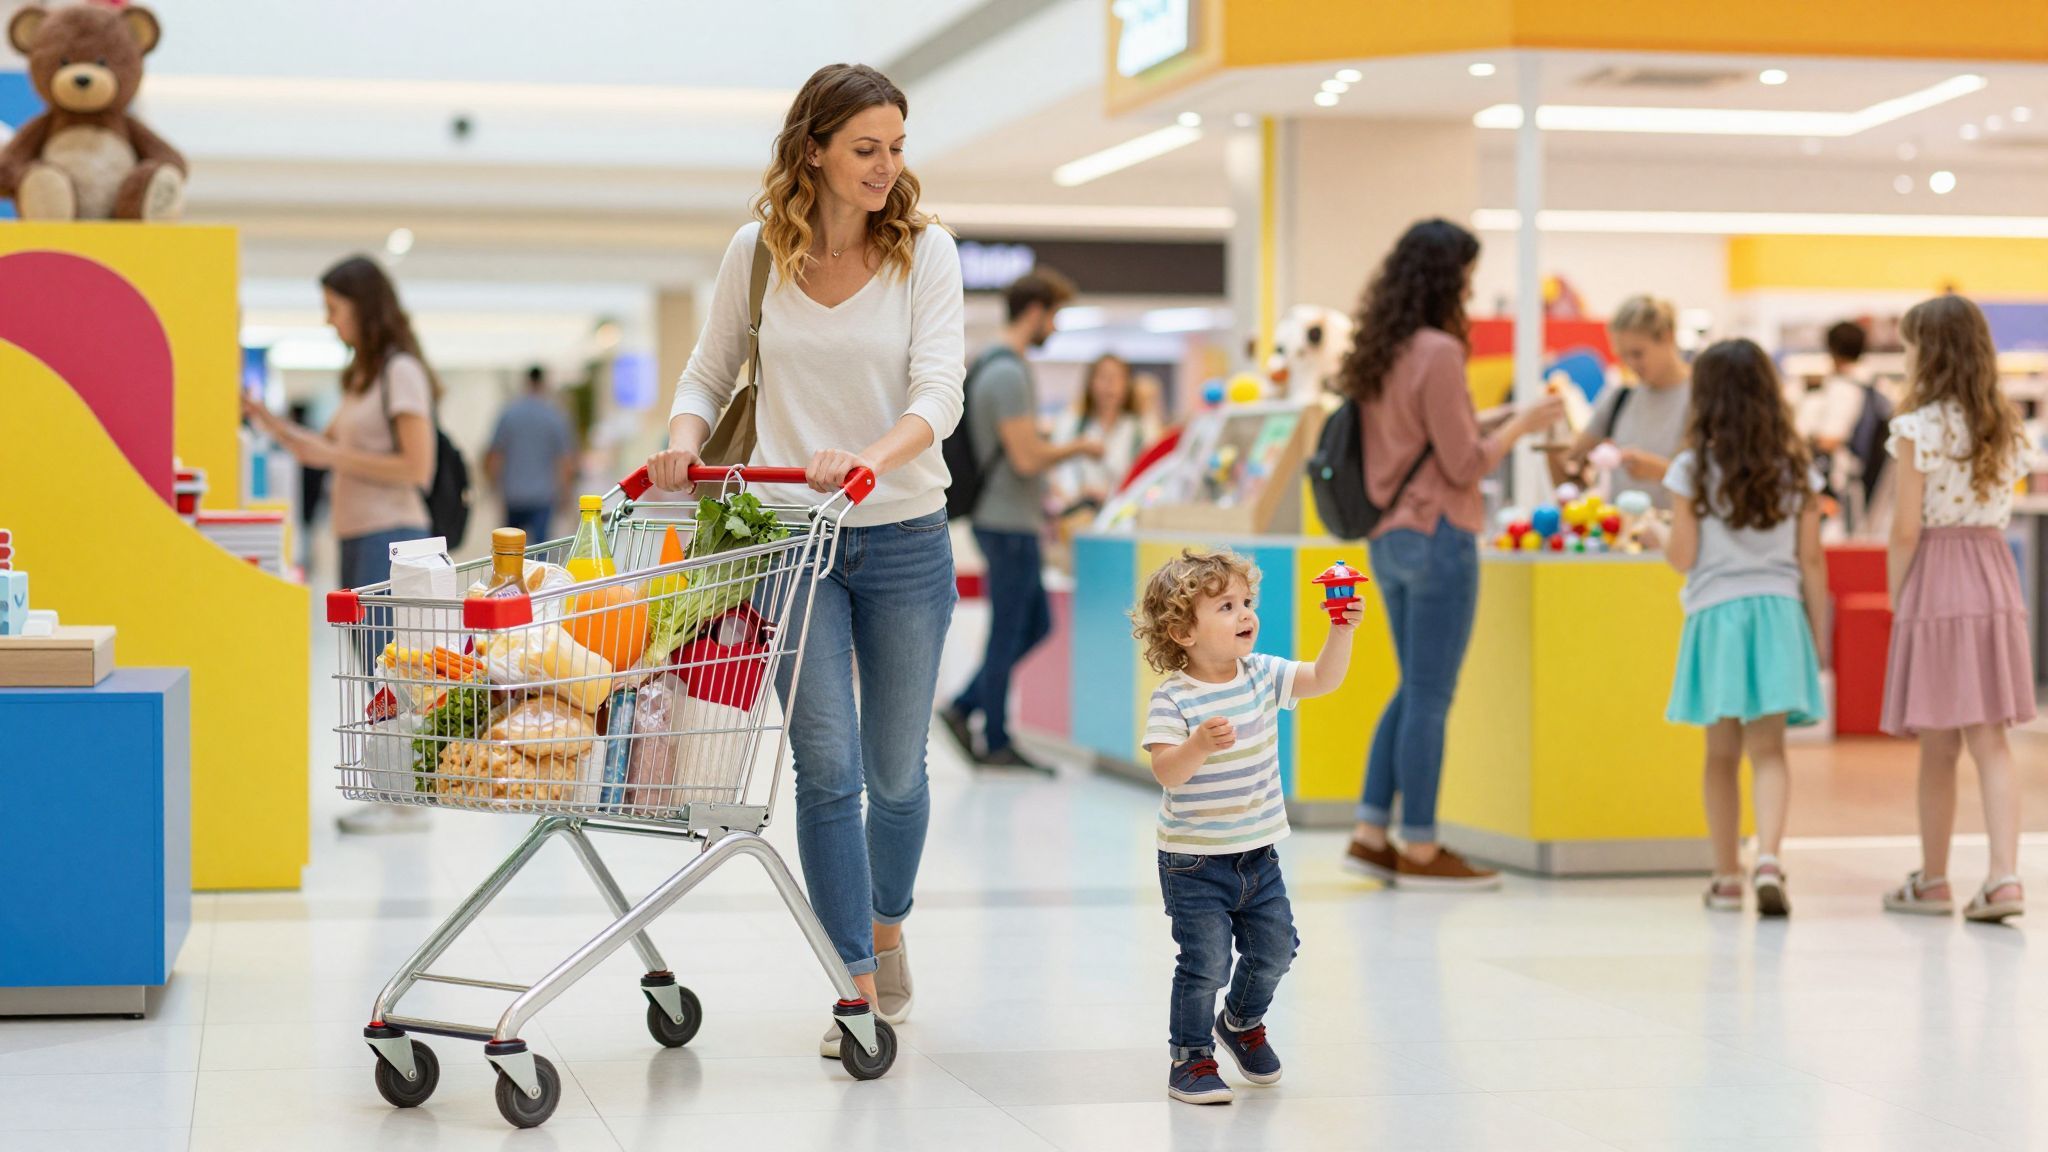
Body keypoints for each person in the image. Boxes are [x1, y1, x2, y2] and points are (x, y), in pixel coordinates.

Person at [644, 63, 963, 1055]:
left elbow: (938, 391)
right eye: (864, 148)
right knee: (826, 770)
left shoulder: (926, 253)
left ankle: (886, 922)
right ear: (814, 149)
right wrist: (681, 436)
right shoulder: (758, 252)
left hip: (903, 534)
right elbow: (707, 372)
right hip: (792, 543)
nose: (885, 167)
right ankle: (851, 985)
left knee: (896, 772)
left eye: (896, 148)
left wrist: (867, 461)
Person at [1337, 219, 1566, 889]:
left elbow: (1425, 441)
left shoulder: (1381, 350)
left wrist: (1501, 417)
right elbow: (1463, 464)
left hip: (1387, 538)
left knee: (1411, 688)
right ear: (1447, 278)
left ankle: (1370, 830)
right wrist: (1521, 425)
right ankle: (1420, 846)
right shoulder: (1438, 351)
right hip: (1440, 536)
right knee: (1431, 696)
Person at [1132, 548, 1360, 1105]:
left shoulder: (1262, 674)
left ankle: (1240, 1022)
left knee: (1277, 949)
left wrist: (1342, 631)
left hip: (1258, 854)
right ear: (1183, 631)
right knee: (1205, 962)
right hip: (1193, 861)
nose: (1246, 615)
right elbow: (1167, 772)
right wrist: (1197, 745)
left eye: (1247, 603)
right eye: (1227, 607)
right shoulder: (1175, 698)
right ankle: (1190, 1059)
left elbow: (1324, 679)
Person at [242, 254, 441, 836]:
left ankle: (405, 798)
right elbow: (314, 449)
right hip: (358, 537)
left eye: (334, 308)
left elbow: (417, 466)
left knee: (395, 670)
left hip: (393, 536)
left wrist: (333, 455)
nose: (329, 321)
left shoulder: (401, 371)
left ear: (363, 305)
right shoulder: (363, 377)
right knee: (376, 667)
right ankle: (395, 791)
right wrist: (266, 420)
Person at [1657, 338, 1828, 918]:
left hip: (1716, 618)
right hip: (1779, 614)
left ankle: (1727, 875)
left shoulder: (1691, 468)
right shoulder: (1796, 466)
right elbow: (1812, 561)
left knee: (1720, 755)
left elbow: (1682, 556)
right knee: (1771, 752)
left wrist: (1657, 533)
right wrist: (1818, 634)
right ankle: (1771, 861)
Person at [1879, 294, 2036, 924]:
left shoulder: (1917, 427)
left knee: (1938, 743)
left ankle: (1934, 877)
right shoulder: (2005, 424)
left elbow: (1905, 530)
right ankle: (2004, 877)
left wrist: (1899, 599)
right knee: (1991, 738)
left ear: (1928, 351)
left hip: (1939, 577)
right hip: (1995, 573)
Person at [936, 270, 1101, 772]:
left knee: (1031, 623)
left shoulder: (993, 363)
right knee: (1012, 628)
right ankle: (996, 736)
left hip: (1011, 518)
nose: (1055, 326)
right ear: (1034, 312)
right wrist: (1079, 445)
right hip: (1007, 521)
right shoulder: (1007, 372)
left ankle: (966, 708)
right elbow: (1026, 458)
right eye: (1054, 316)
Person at [1552, 294, 1693, 508]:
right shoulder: (1620, 398)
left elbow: (1709, 484)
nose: (1630, 365)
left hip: (1672, 535)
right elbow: (1575, 456)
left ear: (1668, 337)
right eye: (1623, 356)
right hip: (1618, 535)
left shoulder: (1699, 399)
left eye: (1637, 354)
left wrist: (1660, 471)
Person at [1050, 353, 1155, 514]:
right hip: (1079, 514)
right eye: (1103, 377)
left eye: (1117, 378)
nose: (1110, 385)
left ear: (1127, 384)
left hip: (1124, 515)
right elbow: (1056, 473)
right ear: (1091, 383)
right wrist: (1076, 495)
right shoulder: (1071, 424)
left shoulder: (1141, 429)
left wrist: (1111, 495)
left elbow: (1151, 480)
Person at [486, 365, 577, 545]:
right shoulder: (554, 416)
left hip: (513, 494)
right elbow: (565, 460)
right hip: (543, 496)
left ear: (526, 382)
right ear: (544, 383)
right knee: (540, 551)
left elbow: (494, 455)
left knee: (511, 551)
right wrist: (566, 493)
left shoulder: (509, 414)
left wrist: (494, 486)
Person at [1792, 321, 1872, 500]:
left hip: (1835, 482)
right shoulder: (1870, 383)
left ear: (1831, 348)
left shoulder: (1843, 388)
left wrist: (1803, 439)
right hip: (1849, 478)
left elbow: (1830, 440)